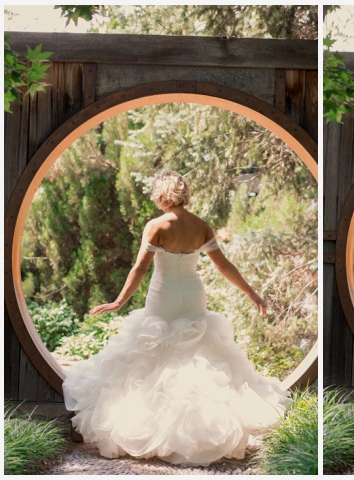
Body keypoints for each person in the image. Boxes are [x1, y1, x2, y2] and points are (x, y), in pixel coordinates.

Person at [62, 170, 290, 466]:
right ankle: (200, 431)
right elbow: (224, 266)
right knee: (196, 352)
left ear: (162, 194)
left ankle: (154, 431)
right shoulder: (201, 226)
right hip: (193, 294)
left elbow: (140, 269)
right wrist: (253, 294)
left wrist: (119, 301)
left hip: (164, 294)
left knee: (155, 351)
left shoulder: (156, 225)